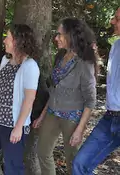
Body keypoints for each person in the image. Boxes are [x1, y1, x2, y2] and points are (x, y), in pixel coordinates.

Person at [33, 17, 97, 175]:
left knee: (73, 162)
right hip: (52, 112)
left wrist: (79, 130)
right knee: (42, 152)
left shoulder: (84, 63)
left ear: (71, 36)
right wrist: (42, 116)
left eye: (60, 34)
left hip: (72, 118)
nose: (56, 38)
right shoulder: (61, 56)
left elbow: (91, 100)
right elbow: (54, 89)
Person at [0, 24, 40, 175]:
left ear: (18, 41)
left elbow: (29, 99)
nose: (4, 41)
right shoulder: (5, 61)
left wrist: (18, 127)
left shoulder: (30, 66)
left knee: (13, 167)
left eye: (8, 38)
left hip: (12, 126)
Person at [73, 7, 120, 175]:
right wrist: (94, 59)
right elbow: (109, 80)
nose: (112, 21)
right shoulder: (116, 46)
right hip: (110, 117)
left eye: (117, 19)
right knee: (80, 164)